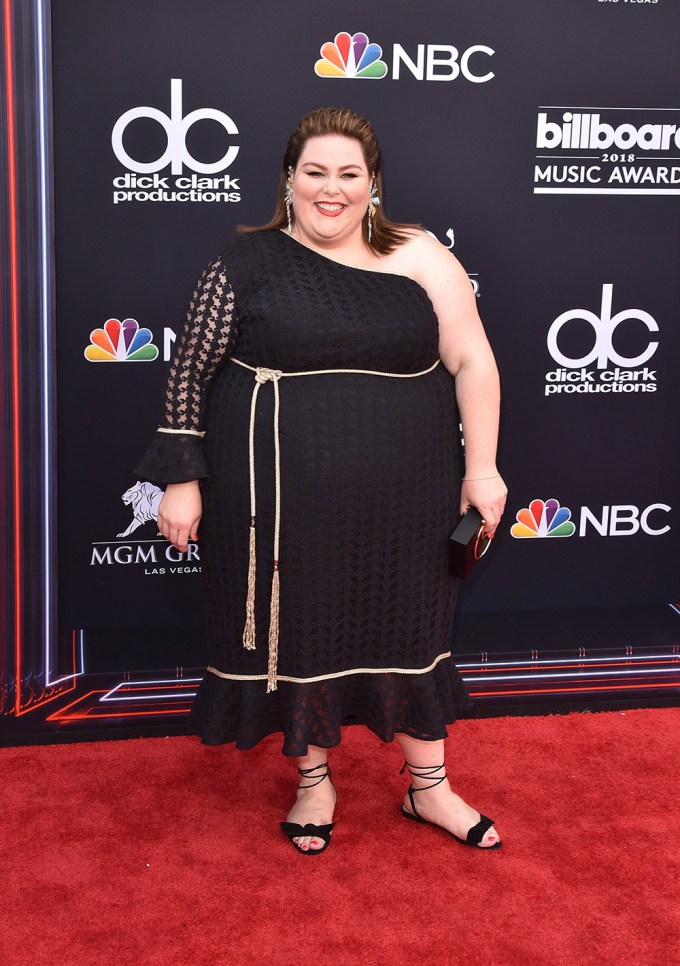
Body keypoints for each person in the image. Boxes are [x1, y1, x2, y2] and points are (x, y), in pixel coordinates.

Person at [136, 107, 507, 855]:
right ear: (289, 179)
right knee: (299, 626)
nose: (329, 190)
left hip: (409, 491)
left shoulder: (420, 253)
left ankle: (428, 789)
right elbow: (189, 378)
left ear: (372, 184)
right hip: (277, 494)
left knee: (411, 622)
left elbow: (473, 360)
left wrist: (483, 466)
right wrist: (182, 479)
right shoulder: (244, 263)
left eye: (348, 174)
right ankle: (314, 780)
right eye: (315, 173)